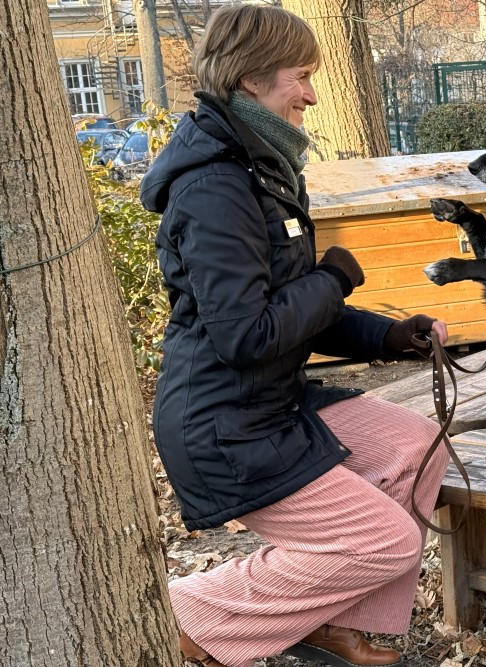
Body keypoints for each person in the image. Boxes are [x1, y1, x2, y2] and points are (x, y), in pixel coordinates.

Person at [139, 5, 451, 667]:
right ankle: (186, 614)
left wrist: (393, 336)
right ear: (252, 79)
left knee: (414, 446)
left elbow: (292, 310)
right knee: (387, 540)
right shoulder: (215, 186)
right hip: (224, 427)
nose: (311, 93)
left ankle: (330, 622)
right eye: (301, 75)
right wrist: (333, 278)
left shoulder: (261, 168)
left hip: (270, 401)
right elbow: (248, 334)